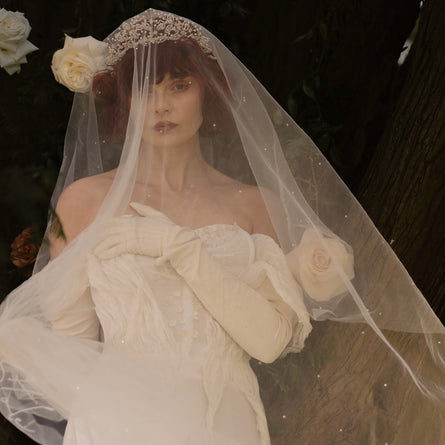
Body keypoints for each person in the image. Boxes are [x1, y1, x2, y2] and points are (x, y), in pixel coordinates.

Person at [0, 8, 444, 445]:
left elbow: (269, 343)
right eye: (145, 88)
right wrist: (27, 344)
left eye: (180, 85)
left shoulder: (256, 206)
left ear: (206, 92)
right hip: (115, 424)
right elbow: (73, 343)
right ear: (124, 101)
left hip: (221, 422)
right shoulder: (85, 201)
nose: (162, 104)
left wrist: (181, 249)